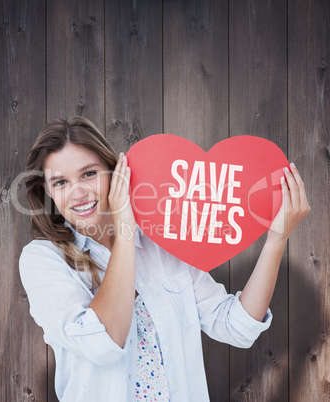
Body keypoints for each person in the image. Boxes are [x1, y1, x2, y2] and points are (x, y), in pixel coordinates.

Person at [19, 116, 310, 402]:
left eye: (89, 174)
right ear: (47, 191)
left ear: (114, 172)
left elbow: (236, 326)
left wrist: (276, 239)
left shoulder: (162, 242)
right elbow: (104, 343)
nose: (78, 192)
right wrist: (125, 230)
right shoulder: (42, 260)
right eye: (60, 182)